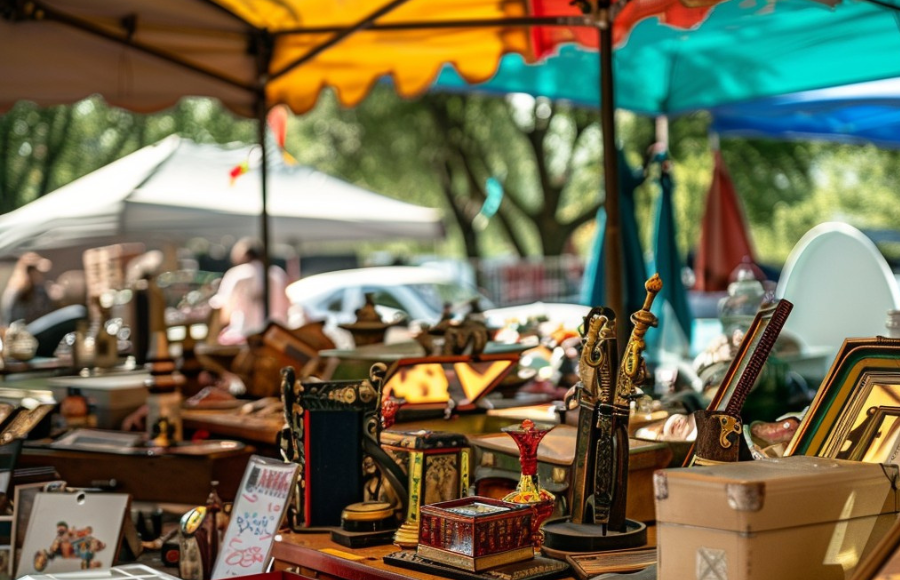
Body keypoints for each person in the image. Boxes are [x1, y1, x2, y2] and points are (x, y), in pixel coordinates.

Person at [208, 238, 289, 345]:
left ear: (243, 255)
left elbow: (225, 310)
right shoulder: (277, 273)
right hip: (277, 334)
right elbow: (287, 306)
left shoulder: (238, 274)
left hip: (245, 335)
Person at [1, 252, 55, 326]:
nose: (40, 275)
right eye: (37, 272)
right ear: (30, 272)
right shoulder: (17, 292)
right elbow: (10, 317)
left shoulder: (39, 289)